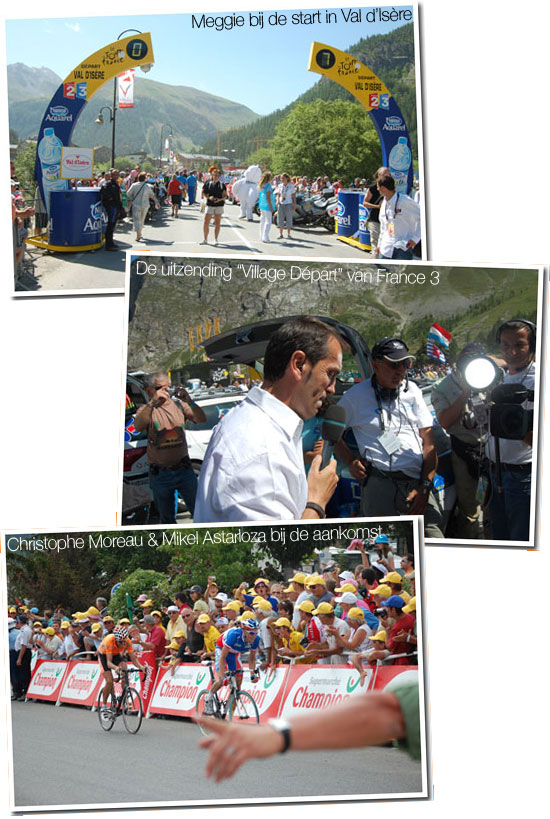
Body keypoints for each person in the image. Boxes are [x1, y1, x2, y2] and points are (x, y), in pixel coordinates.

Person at [194, 316, 342, 522]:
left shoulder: (253, 421)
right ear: (299, 365)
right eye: (330, 374)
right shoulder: (262, 450)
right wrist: (316, 501)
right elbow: (282, 552)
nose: (333, 388)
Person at [197, 678, 421, 780]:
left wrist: (276, 735)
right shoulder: (233, 636)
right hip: (223, 654)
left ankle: (228, 703)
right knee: (223, 676)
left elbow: (385, 712)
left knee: (238, 677)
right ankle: (210, 698)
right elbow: (386, 712)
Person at [335, 337, 444, 538]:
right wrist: (350, 460)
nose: (401, 370)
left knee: (434, 541)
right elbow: (331, 433)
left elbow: (429, 444)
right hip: (379, 485)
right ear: (375, 365)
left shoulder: (413, 391)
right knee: (382, 545)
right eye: (394, 364)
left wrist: (425, 487)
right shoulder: (355, 397)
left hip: (417, 482)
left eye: (405, 363)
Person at [431, 342, 489, 539]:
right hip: (464, 452)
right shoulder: (443, 387)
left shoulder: (489, 376)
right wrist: (465, 391)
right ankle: (472, 541)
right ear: (458, 363)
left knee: (492, 501)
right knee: (469, 507)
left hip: (490, 448)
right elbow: (445, 422)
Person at [133, 372, 206, 523]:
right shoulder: (146, 410)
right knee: (166, 519)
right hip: (161, 473)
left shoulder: (178, 405)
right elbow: (139, 426)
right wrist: (152, 403)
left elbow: (201, 418)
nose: (166, 391)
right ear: (149, 390)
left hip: (184, 470)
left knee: (200, 513)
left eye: (168, 387)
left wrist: (189, 401)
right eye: (161, 388)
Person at [487, 319, 536, 542]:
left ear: (532, 346)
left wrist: (515, 424)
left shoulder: (538, 381)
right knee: (500, 534)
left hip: (522, 474)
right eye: (506, 345)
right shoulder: (498, 378)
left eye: (520, 344)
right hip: (493, 471)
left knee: (521, 536)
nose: (512, 351)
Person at [202, 619, 260, 715]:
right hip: (222, 650)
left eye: (256, 633)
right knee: (222, 680)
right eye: (251, 633)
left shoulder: (256, 639)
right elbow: (222, 658)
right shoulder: (234, 635)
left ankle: (229, 715)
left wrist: (253, 674)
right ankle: (208, 698)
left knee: (237, 687)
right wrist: (223, 676)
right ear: (244, 630)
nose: (254, 636)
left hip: (234, 653)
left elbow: (252, 659)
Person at [97, 626, 145, 717]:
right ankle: (103, 705)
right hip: (104, 655)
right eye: (120, 642)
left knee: (124, 669)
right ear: (116, 639)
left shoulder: (127, 641)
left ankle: (124, 697)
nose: (123, 644)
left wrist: (141, 667)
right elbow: (109, 663)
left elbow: (134, 659)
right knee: (109, 681)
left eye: (124, 642)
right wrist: (115, 668)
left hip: (116, 654)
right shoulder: (109, 641)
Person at [376, 172, 420, 260]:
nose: (377, 189)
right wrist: (379, 244)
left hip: (403, 247)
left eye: (378, 187)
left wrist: (415, 239)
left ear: (383, 188)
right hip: (386, 247)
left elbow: (423, 218)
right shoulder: (384, 203)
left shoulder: (405, 201)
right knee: (382, 272)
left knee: (401, 274)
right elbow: (384, 226)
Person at [127, 173, 158, 242]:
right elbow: (152, 195)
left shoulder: (134, 185)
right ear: (144, 179)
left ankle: (138, 234)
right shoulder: (147, 186)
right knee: (142, 219)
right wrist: (157, 202)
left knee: (136, 220)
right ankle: (140, 233)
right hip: (145, 205)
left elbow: (128, 194)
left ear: (138, 178)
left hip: (136, 205)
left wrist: (131, 199)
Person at [200, 168, 226, 246]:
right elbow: (204, 192)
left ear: (219, 176)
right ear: (212, 175)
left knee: (217, 223)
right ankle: (205, 239)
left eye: (217, 175)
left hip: (219, 205)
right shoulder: (208, 183)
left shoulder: (222, 185)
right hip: (209, 205)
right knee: (206, 222)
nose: (216, 177)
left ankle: (216, 239)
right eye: (214, 175)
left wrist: (219, 199)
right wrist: (208, 197)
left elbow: (225, 196)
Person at [100, 168, 122, 251]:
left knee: (112, 226)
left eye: (117, 174)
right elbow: (103, 192)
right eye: (114, 174)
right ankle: (108, 245)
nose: (116, 176)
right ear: (111, 175)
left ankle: (111, 243)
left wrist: (120, 207)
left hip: (115, 207)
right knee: (110, 225)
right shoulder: (108, 184)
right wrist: (110, 199)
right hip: (111, 207)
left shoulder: (115, 184)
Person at [276, 173, 296, 239]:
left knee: (289, 218)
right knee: (280, 218)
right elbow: (278, 194)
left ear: (287, 178)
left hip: (288, 203)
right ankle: (280, 234)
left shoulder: (291, 186)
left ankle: (289, 234)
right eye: (281, 178)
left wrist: (294, 204)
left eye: (283, 178)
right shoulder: (280, 185)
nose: (282, 179)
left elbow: (293, 196)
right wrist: (277, 200)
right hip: (281, 203)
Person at [258, 171, 275, 243]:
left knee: (262, 221)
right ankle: (265, 237)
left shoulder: (261, 185)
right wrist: (271, 207)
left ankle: (261, 236)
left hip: (262, 204)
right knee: (268, 222)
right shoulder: (268, 185)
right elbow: (268, 197)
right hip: (267, 205)